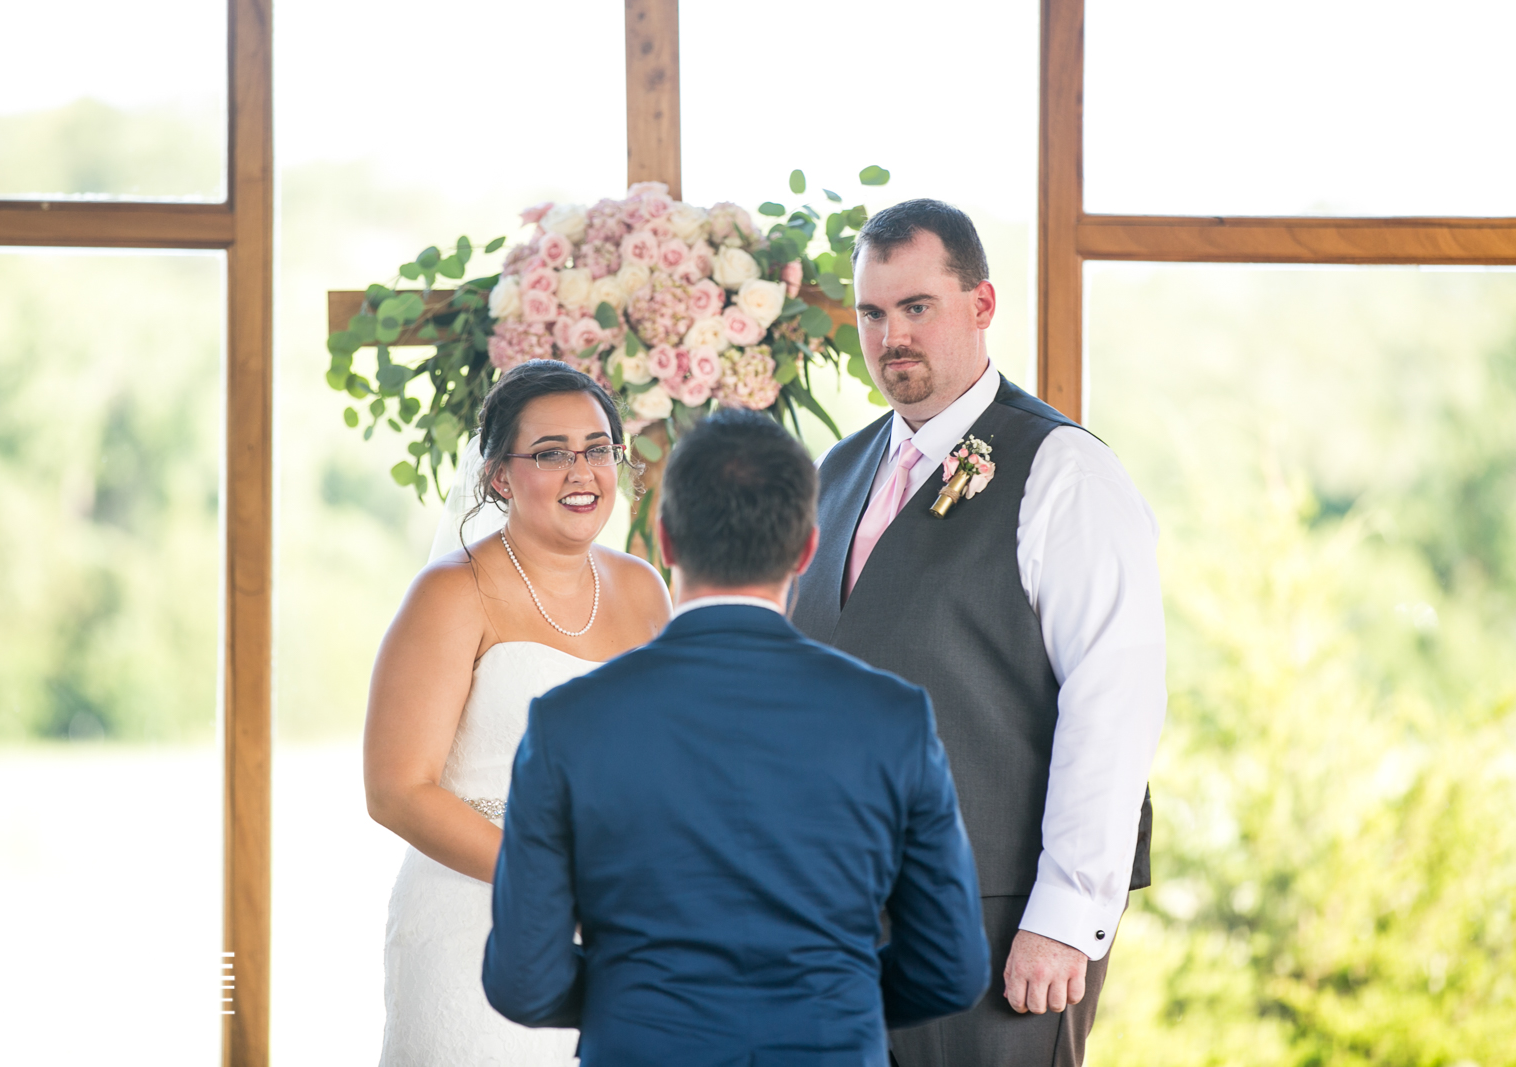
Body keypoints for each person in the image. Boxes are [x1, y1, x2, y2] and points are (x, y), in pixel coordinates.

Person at [482, 409, 992, 1066]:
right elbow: (950, 966)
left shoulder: (567, 723)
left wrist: (631, 995)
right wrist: (831, 999)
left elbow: (524, 981)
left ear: (665, 540)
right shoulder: (893, 717)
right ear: (807, 548)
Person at [792, 200, 1166, 1067]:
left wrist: (1068, 917)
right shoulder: (834, 473)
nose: (892, 336)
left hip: (993, 928)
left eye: (917, 306)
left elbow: (1114, 704)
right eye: (873, 313)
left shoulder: (1064, 471)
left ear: (982, 305)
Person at [364, 360, 673, 1066]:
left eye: (598, 448)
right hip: (473, 919)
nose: (582, 471)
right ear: (500, 474)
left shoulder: (643, 588)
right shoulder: (450, 593)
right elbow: (394, 788)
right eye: (551, 453)